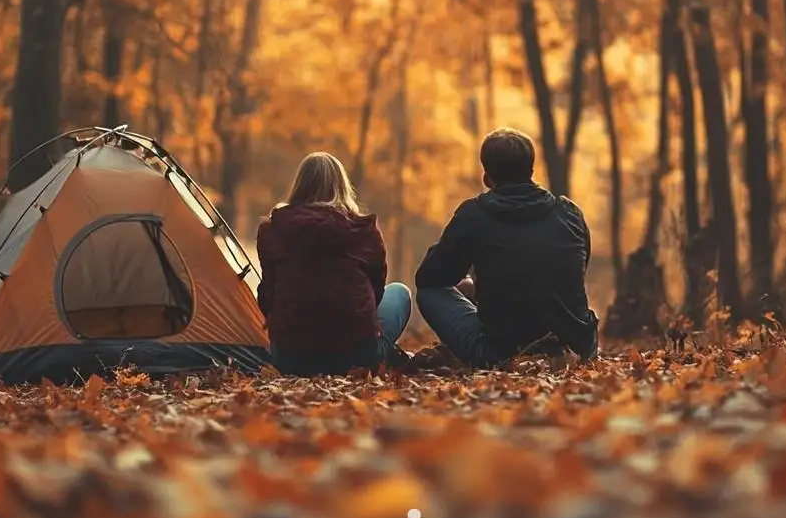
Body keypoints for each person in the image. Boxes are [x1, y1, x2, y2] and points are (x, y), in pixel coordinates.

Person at [413, 128, 599, 368]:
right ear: (531, 172)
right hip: (578, 348)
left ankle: (492, 351)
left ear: (487, 178)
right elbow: (576, 270)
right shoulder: (570, 213)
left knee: (429, 292)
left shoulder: (474, 215)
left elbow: (429, 277)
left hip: (502, 354)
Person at [253, 151, 413, 375]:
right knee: (399, 292)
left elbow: (268, 293)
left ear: (299, 186)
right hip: (356, 357)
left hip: (290, 357)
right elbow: (376, 292)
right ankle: (379, 356)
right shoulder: (364, 231)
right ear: (342, 186)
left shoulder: (273, 230)